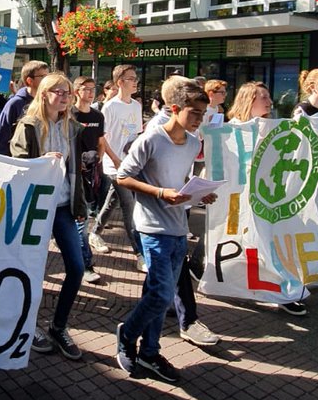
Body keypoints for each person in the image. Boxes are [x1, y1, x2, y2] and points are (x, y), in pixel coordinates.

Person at [114, 77, 217, 383]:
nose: (199, 120)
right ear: (174, 109)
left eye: (203, 114)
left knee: (156, 294)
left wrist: (198, 193)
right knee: (161, 295)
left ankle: (149, 352)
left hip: (178, 227)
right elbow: (123, 176)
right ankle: (127, 334)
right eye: (194, 113)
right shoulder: (151, 139)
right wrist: (161, 194)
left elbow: (179, 181)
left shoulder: (194, 143)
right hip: (151, 227)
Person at [10, 73, 87, 360]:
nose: (66, 97)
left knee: (77, 267)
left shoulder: (73, 127)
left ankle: (58, 326)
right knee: (32, 271)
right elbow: (16, 164)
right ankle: (27, 326)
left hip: (63, 206)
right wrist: (41, 163)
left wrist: (80, 204)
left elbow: (74, 171)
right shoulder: (29, 125)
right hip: (36, 206)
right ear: (44, 94)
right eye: (59, 91)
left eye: (68, 92)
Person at [228, 81, 308, 317]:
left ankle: (282, 291)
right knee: (242, 243)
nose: (270, 101)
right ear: (248, 100)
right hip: (239, 201)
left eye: (268, 96)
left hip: (268, 199)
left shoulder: (273, 129)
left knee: (270, 243)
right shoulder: (232, 129)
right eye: (263, 97)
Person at [96, 64, 146, 270]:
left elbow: (137, 135)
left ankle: (94, 232)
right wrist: (115, 159)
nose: (136, 82)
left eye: (136, 78)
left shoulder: (136, 106)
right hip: (114, 166)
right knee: (129, 206)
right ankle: (140, 253)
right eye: (131, 78)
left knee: (113, 200)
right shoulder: (110, 107)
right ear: (120, 82)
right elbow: (102, 138)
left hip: (131, 163)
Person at [72, 75, 118, 282]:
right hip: (71, 175)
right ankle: (86, 265)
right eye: (86, 89)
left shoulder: (98, 116)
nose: (91, 92)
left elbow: (101, 142)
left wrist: (98, 159)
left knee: (81, 220)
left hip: (91, 174)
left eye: (93, 88)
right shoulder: (69, 115)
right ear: (76, 91)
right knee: (81, 223)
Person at [0, 61, 49, 155]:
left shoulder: (48, 102)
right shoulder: (15, 104)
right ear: (30, 81)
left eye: (48, 76)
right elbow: (3, 137)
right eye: (42, 76)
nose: (47, 80)